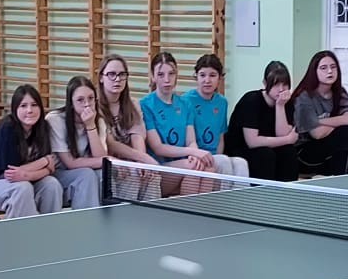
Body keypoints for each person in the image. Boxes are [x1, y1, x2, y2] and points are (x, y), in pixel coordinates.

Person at [0, 85, 63, 218]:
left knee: (51, 184)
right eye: (23, 106)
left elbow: (47, 170)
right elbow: (11, 174)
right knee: (21, 188)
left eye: (34, 105)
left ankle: (50, 228)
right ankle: (25, 231)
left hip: (21, 182)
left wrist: (34, 173)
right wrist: (44, 161)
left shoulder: (43, 128)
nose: (29, 110)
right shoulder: (8, 129)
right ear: (15, 109)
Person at [140, 52, 218, 193]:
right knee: (192, 167)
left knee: (208, 167)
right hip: (158, 170)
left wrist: (195, 155)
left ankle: (198, 207)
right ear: (152, 76)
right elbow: (158, 148)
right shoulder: (145, 105)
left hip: (183, 165)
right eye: (161, 74)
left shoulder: (185, 104)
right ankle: (187, 207)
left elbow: (191, 141)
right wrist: (193, 152)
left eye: (171, 74)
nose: (167, 80)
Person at [291, 50, 348, 176]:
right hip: (304, 156)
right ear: (314, 72)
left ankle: (345, 187)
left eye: (333, 67)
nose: (330, 71)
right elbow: (317, 133)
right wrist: (339, 124)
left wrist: (318, 121)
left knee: (346, 150)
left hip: (328, 152)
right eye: (323, 68)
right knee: (346, 133)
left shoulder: (340, 92)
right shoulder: (304, 98)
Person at [97, 53, 161, 201]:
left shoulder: (133, 105)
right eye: (111, 74)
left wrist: (143, 164)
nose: (117, 79)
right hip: (109, 162)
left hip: (131, 159)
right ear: (101, 78)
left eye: (122, 74)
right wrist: (143, 158)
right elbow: (110, 144)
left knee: (151, 175)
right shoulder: (96, 107)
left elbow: (137, 137)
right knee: (132, 174)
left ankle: (151, 215)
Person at [226, 60, 302, 183]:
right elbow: (252, 141)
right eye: (276, 84)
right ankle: (264, 193)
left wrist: (280, 106)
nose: (281, 89)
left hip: (269, 146)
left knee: (288, 152)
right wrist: (288, 139)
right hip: (242, 148)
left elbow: (281, 134)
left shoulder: (286, 102)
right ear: (265, 83)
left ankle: (288, 192)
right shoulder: (251, 100)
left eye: (285, 84)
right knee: (265, 155)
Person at [181, 54, 248, 180]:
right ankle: (223, 194)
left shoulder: (222, 102)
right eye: (202, 75)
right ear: (196, 76)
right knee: (223, 161)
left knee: (241, 163)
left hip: (214, 155)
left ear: (219, 78)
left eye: (212, 75)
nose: (207, 80)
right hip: (196, 155)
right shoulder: (185, 101)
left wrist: (217, 155)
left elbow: (220, 137)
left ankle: (240, 194)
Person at [47, 75, 108, 209]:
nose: (87, 104)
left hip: (83, 169)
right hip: (57, 173)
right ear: (71, 103)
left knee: (104, 175)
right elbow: (70, 163)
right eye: (80, 100)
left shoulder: (99, 121)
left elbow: (100, 158)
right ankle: (87, 220)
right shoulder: (55, 120)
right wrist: (108, 160)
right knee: (86, 175)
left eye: (91, 98)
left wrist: (90, 126)